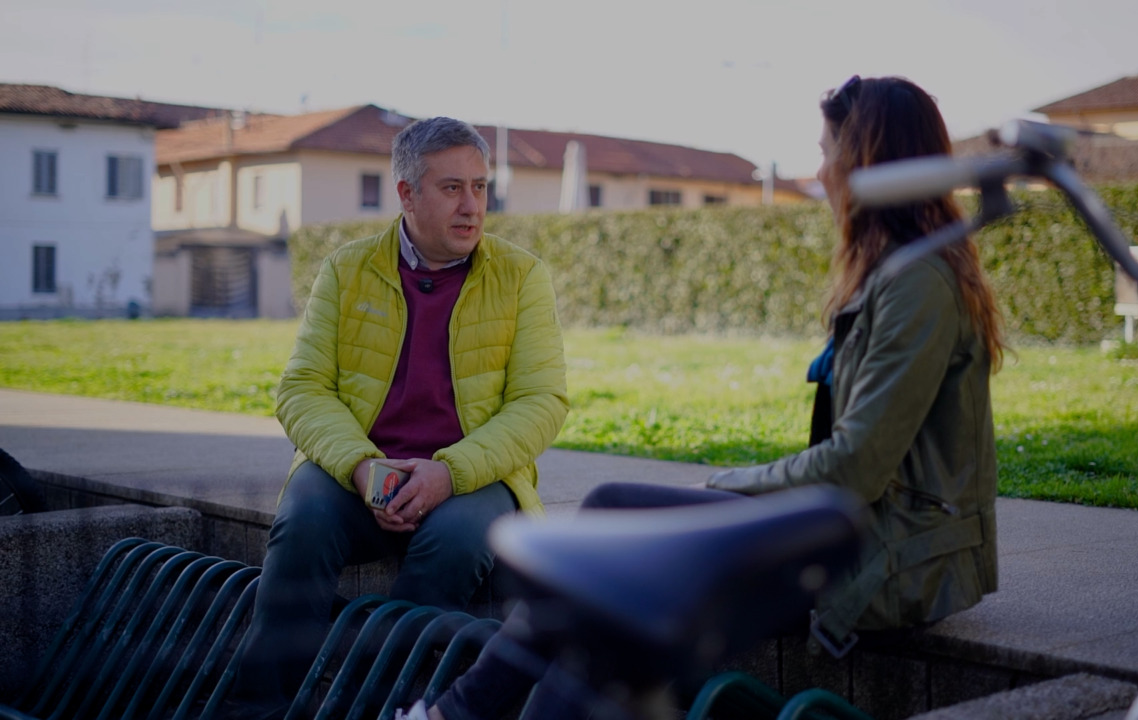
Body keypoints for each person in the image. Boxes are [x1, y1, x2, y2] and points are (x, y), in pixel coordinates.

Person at [423, 74, 1004, 720]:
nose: (820, 172)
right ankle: (454, 714)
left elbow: (855, 468)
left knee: (613, 535)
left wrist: (728, 488)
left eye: (827, 152)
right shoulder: (899, 272)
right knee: (608, 550)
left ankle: (452, 714)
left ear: (868, 163)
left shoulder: (916, 284)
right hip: (864, 534)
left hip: (894, 560)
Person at [226, 116, 570, 719]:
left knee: (454, 544)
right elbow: (302, 388)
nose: (472, 206)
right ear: (407, 193)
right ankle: (256, 710)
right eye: (452, 188)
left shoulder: (521, 276)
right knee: (302, 525)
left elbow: (541, 402)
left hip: (471, 479)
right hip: (357, 472)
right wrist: (361, 466)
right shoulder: (347, 268)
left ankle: (374, 707)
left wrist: (449, 473)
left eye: (480, 187)